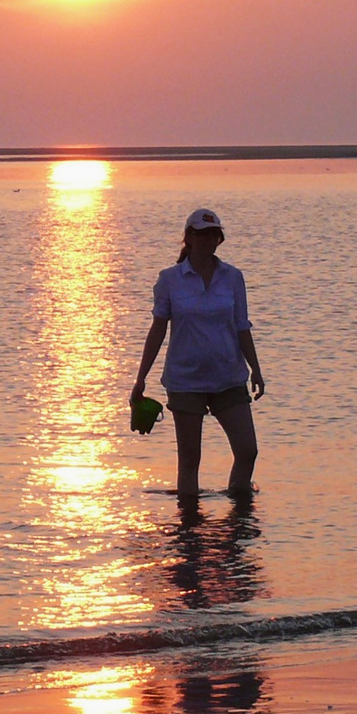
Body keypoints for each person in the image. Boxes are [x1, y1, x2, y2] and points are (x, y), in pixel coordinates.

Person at [129, 209, 265, 503]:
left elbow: (242, 327)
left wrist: (256, 369)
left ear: (219, 240)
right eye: (201, 234)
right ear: (188, 238)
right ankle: (188, 531)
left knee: (247, 450)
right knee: (190, 460)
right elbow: (157, 330)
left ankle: (239, 510)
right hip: (185, 380)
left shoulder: (233, 277)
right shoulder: (169, 280)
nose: (208, 240)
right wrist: (140, 378)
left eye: (213, 235)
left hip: (229, 376)